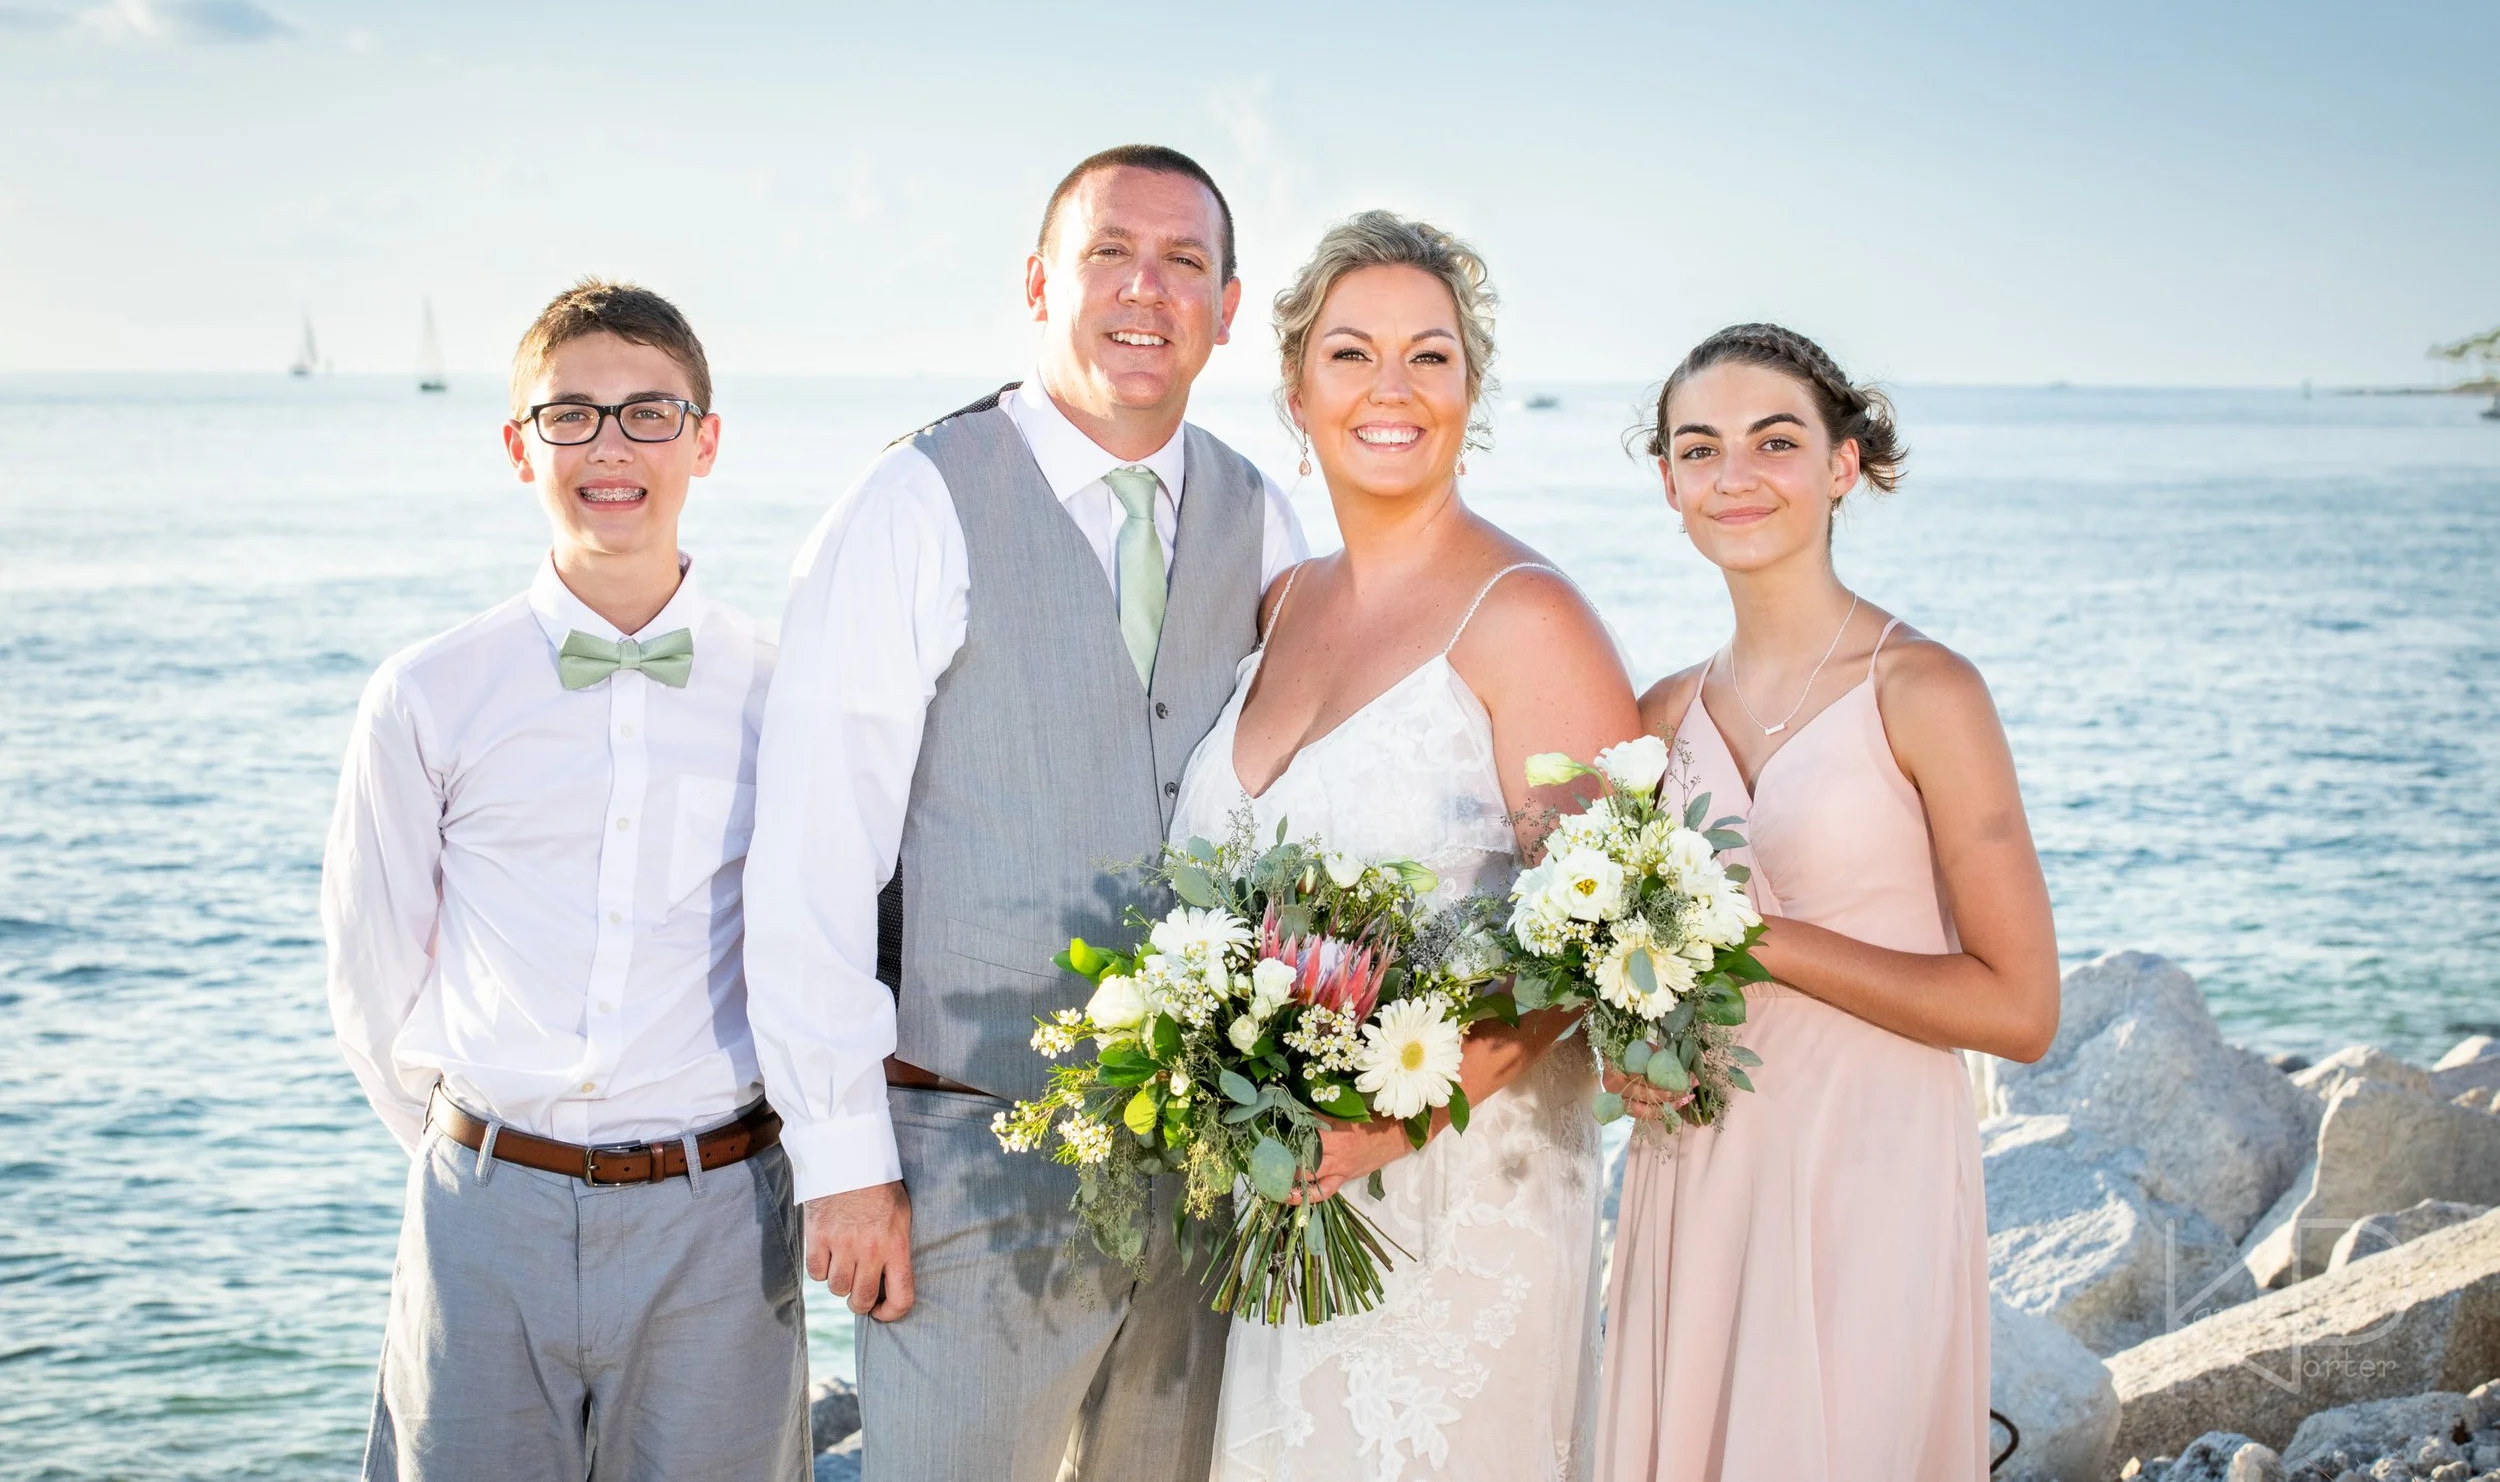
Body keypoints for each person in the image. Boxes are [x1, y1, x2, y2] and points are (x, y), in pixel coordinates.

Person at [743, 144, 1306, 1482]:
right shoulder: (915, 501)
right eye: (1110, 251)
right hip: (968, 1159)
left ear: (1227, 308)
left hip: (1204, 1168)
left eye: (1184, 262)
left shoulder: (1263, 512)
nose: (1143, 288)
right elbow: (813, 851)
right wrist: (839, 1159)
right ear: (1041, 279)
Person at [1169, 211, 1641, 1481]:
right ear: (1295, 388)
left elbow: (1594, 943)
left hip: (1456, 1199)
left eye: (1429, 356)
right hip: (1273, 1202)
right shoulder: (1281, 603)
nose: (1391, 389)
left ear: (1470, 390)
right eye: (1351, 353)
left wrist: (1388, 1122)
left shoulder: (1527, 618)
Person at [321, 281, 804, 1481]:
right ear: (517, 444)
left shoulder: (783, 689)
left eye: (648, 413)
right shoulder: (429, 692)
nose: (609, 447)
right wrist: (490, 1162)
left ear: (705, 439)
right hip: (485, 1209)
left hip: (720, 1214)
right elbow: (372, 977)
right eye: (570, 414)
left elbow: (832, 941)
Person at [1595, 324, 2061, 1482]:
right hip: (1695, 1167)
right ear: (1667, 481)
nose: (1734, 475)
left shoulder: (1926, 689)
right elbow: (1631, 967)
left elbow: (2020, 1009)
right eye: (1698, 449)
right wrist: (1627, 1042)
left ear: (1842, 465)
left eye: (1775, 440)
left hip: (1874, 1165)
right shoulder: (1653, 717)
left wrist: (1769, 942)